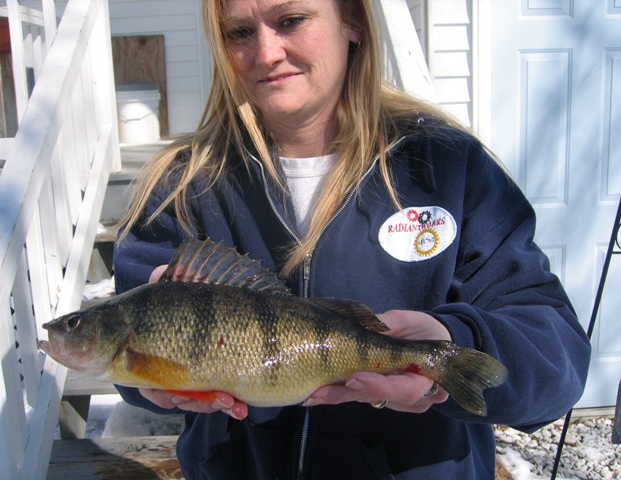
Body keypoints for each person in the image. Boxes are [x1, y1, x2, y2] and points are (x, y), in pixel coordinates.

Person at [113, 0, 591, 478]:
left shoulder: (445, 168)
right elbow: (124, 344)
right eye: (239, 32)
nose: (266, 52)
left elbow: (555, 359)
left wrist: (451, 343)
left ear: (354, 23)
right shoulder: (184, 184)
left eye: (291, 21)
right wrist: (149, 374)